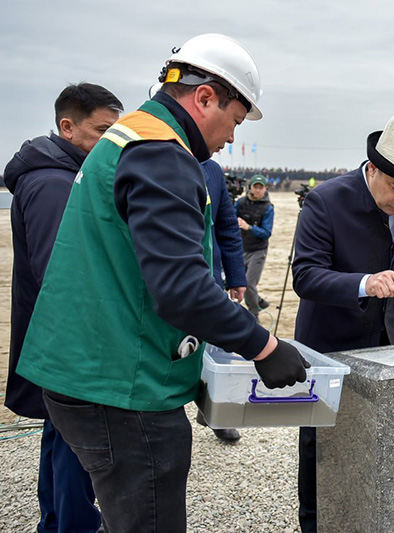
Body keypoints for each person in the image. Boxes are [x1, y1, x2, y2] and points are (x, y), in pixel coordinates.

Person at [15, 33, 309, 533]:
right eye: (236, 119)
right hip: (119, 386)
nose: (233, 137)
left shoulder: (125, 135)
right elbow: (179, 286)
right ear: (204, 97)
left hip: (83, 369)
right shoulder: (160, 153)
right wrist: (264, 346)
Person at [291, 111, 394, 533]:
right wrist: (364, 283)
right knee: (321, 446)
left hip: (387, 339)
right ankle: (316, 523)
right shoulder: (325, 200)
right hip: (329, 341)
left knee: (382, 436)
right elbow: (305, 276)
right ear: (372, 168)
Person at [3, 82, 123, 533]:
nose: (110, 143)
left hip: (54, 339)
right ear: (67, 127)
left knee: (60, 439)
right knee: (78, 447)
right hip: (66, 344)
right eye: (102, 131)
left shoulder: (57, 173)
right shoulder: (54, 183)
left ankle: (55, 523)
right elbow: (67, 271)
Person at [196, 158, 247, 442]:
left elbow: (227, 227)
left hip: (211, 276)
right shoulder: (157, 156)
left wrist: (237, 277)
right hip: (167, 280)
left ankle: (215, 412)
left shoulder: (212, 170)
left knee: (219, 349)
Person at [235, 174, 274, 316]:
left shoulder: (268, 208)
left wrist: (249, 227)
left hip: (258, 250)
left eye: (260, 187)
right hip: (241, 247)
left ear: (265, 189)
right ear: (250, 187)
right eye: (255, 187)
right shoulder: (240, 203)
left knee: (249, 284)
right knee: (239, 282)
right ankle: (259, 301)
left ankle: (254, 314)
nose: (257, 190)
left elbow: (266, 232)